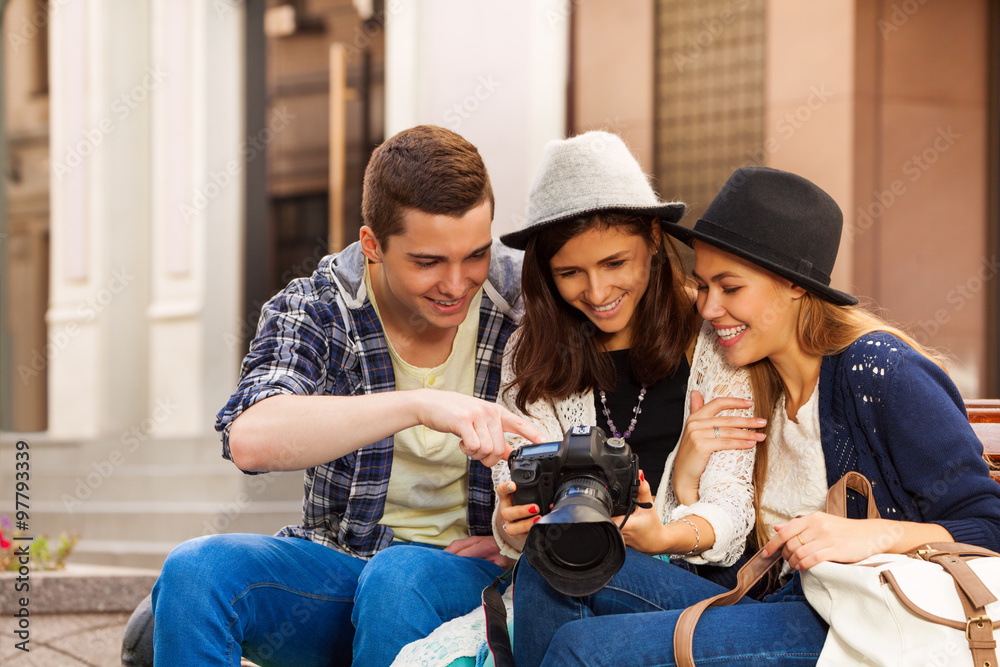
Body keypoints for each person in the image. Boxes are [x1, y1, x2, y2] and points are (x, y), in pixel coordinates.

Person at [512, 165, 1000, 665]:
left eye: (730, 287)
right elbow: (732, 551)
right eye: (702, 286)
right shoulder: (753, 379)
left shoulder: (881, 373)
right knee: (550, 562)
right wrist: (686, 479)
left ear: (794, 285)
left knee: (580, 649)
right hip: (765, 604)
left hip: (849, 620)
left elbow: (988, 523)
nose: (707, 308)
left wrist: (874, 534)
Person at [147, 125, 545, 667]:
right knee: (196, 572)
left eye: (474, 254)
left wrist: (514, 545)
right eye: (428, 262)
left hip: (474, 581)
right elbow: (251, 438)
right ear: (372, 245)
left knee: (399, 576)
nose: (456, 284)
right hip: (340, 569)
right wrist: (418, 405)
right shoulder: (318, 306)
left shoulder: (527, 301)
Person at [391, 132, 762, 667]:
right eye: (570, 273)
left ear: (655, 240)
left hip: (696, 585)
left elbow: (729, 518)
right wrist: (508, 524)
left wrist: (660, 530)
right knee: (549, 560)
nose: (596, 291)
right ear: (546, 272)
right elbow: (516, 489)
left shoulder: (713, 335)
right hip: (571, 571)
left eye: (615, 263)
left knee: (553, 569)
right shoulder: (532, 351)